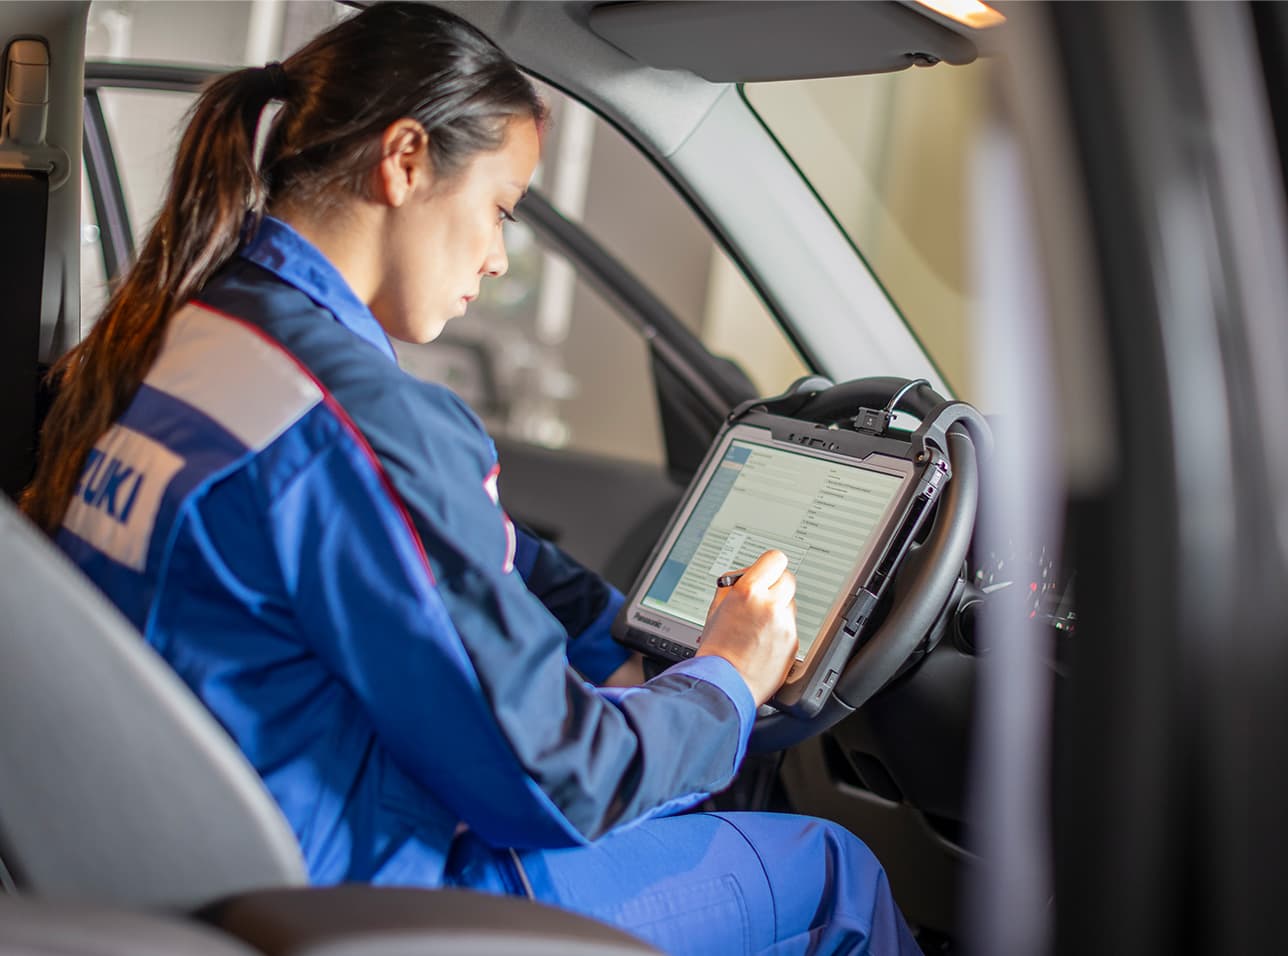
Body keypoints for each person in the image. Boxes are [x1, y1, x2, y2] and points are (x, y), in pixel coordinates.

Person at [23, 4, 921, 953]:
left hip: (196, 855)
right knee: (833, 872)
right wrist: (728, 678)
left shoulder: (183, 334)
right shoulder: (354, 426)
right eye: (498, 209)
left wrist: (617, 636)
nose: (497, 257)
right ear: (405, 160)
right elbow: (564, 777)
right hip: (355, 891)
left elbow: (465, 553)